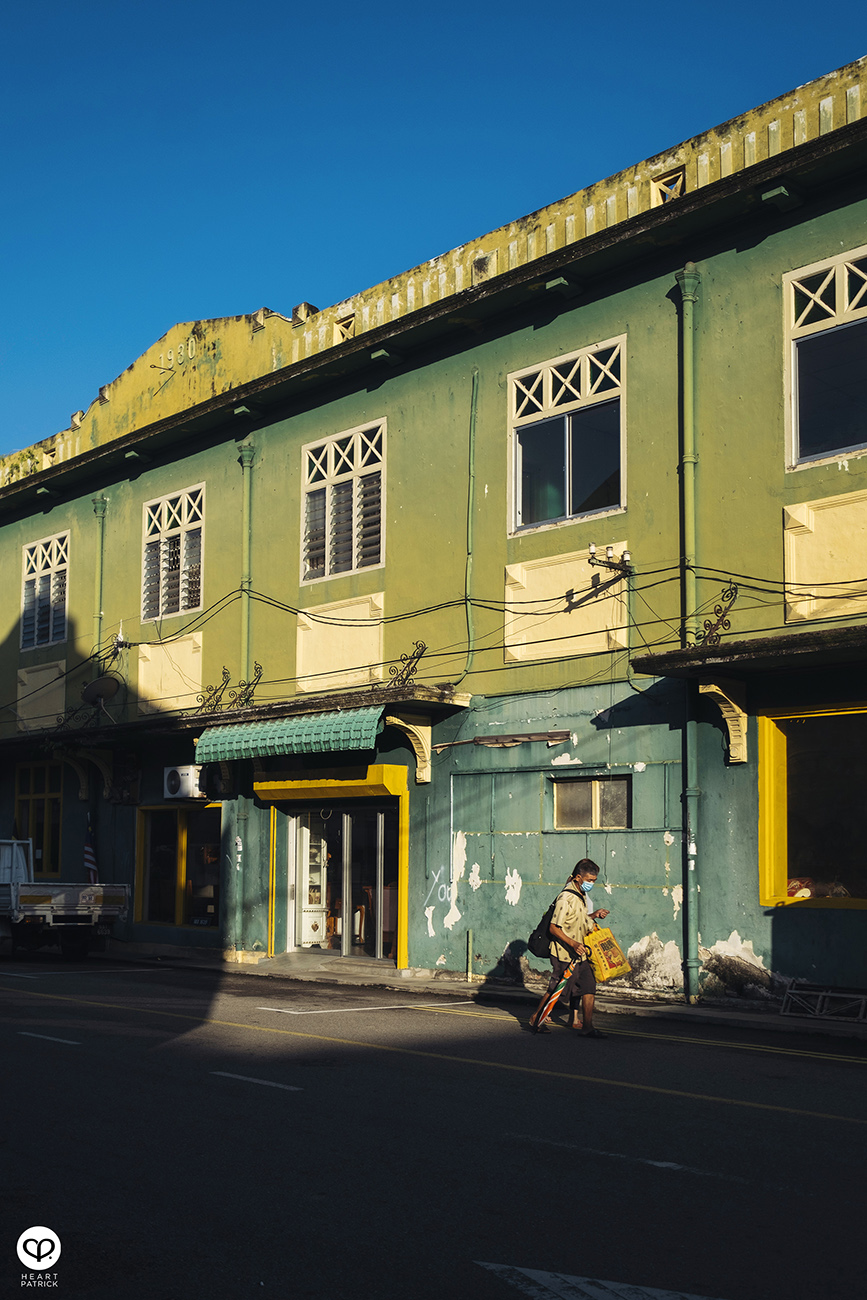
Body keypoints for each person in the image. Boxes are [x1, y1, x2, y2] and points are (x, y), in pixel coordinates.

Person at [528, 858, 609, 1038]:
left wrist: (594, 916)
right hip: (564, 953)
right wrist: (573, 943)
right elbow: (553, 928)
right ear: (578, 878)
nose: (591, 884)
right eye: (589, 880)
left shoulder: (580, 896)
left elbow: (580, 921)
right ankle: (536, 1017)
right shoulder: (566, 897)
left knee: (589, 987)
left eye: (594, 881)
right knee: (557, 988)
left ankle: (587, 1026)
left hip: (581, 954)